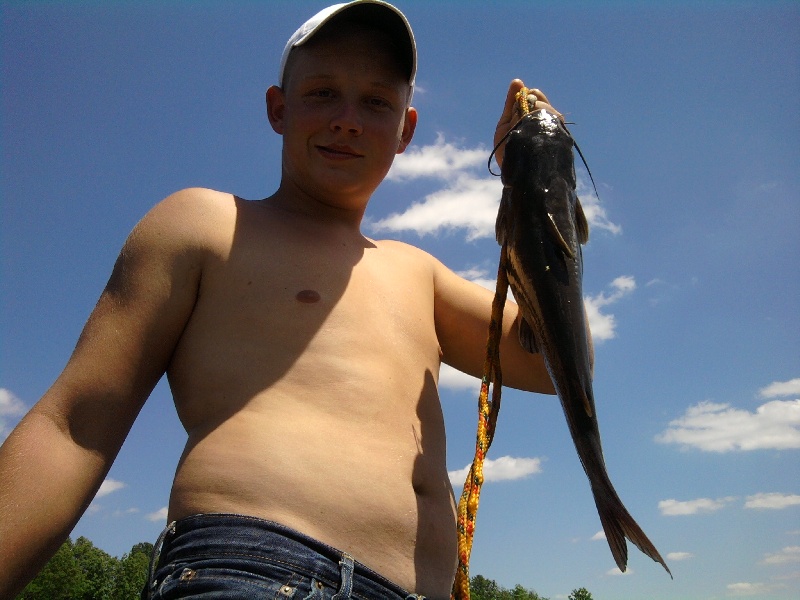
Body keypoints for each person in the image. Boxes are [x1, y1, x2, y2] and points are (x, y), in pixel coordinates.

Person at [0, 2, 564, 598]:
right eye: (323, 93)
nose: (348, 119)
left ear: (406, 130)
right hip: (256, 569)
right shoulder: (206, 224)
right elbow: (74, 426)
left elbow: (550, 361)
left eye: (377, 102)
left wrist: (535, 188)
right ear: (278, 109)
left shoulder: (419, 273)